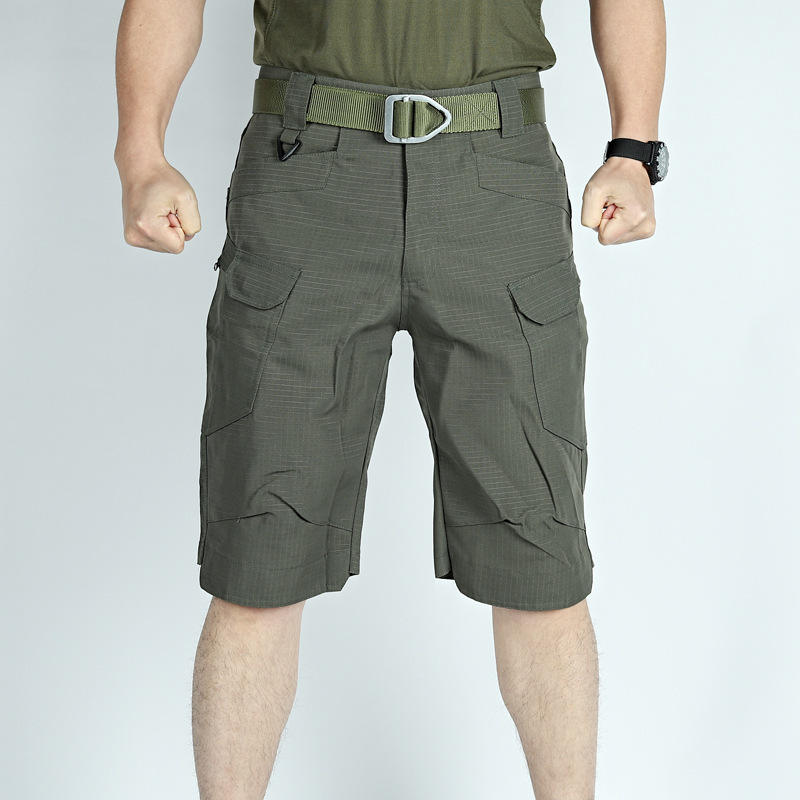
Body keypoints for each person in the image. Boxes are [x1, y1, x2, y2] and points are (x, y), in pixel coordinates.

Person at [114, 1, 667, 797]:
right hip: (307, 176)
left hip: (496, 176)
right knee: (258, 557)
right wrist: (140, 154)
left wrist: (634, 149)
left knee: (539, 553)